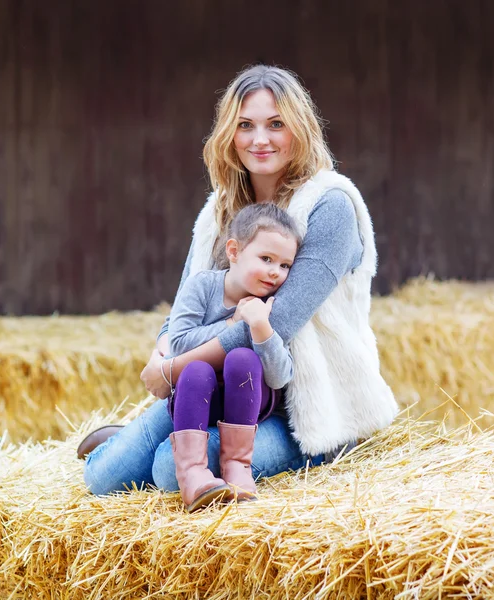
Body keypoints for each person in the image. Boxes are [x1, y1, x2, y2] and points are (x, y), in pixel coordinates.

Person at [81, 64, 398, 499]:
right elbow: (181, 311)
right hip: (216, 386)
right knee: (102, 479)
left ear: (300, 129)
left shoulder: (331, 206)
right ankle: (128, 441)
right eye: (246, 125)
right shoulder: (220, 213)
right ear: (230, 134)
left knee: (168, 473)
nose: (260, 140)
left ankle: (148, 441)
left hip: (303, 407)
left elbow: (275, 325)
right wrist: (162, 352)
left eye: (275, 124)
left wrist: (173, 369)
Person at [165, 203, 301, 511]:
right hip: (199, 401)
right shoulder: (202, 286)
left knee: (243, 360)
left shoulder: (272, 303)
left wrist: (260, 326)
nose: (275, 272)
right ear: (234, 251)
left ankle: (237, 468)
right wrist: (231, 324)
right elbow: (179, 345)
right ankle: (193, 475)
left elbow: (280, 377)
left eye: (284, 265)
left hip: (248, 403)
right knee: (198, 370)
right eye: (266, 259)